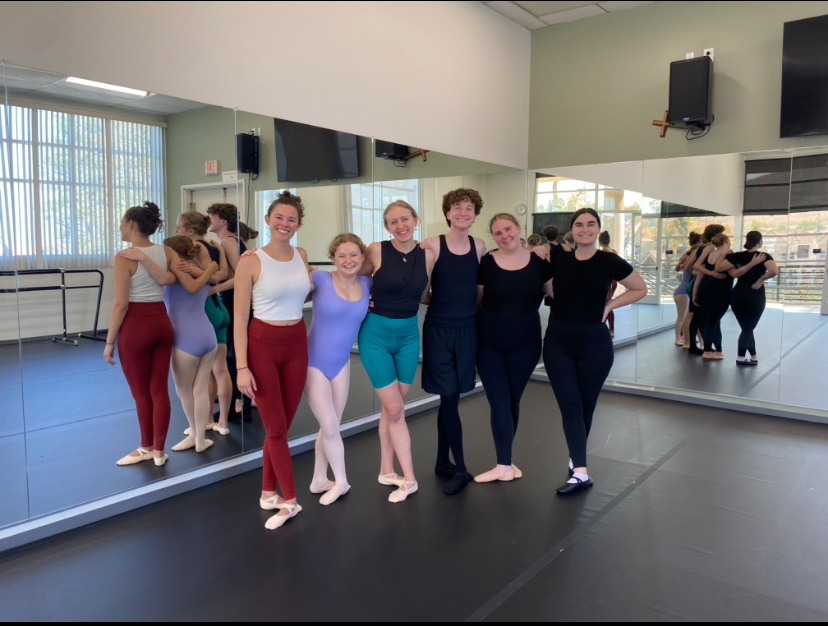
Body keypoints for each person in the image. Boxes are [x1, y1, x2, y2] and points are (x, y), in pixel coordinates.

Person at [544, 209, 646, 495]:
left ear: (598, 228)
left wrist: (610, 305)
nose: (585, 229)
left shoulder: (609, 260)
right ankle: (581, 472)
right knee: (571, 406)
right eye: (579, 224)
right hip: (558, 342)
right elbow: (546, 287)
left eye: (591, 224)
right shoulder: (560, 260)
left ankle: (577, 461)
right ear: (572, 230)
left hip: (595, 345)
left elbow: (639, 288)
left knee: (585, 406)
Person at [234, 191, 313, 530]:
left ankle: (268, 492)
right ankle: (290, 500)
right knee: (276, 428)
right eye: (279, 217)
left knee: (281, 428)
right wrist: (241, 367)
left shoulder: (302, 254)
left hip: (297, 342)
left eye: (291, 219)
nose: (285, 223)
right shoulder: (250, 261)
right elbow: (239, 319)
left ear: (298, 225)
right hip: (261, 345)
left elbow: (306, 292)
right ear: (267, 220)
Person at [104, 202, 197, 467]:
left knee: (141, 393)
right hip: (162, 324)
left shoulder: (124, 257)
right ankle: (159, 451)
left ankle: (146, 447)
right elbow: (171, 279)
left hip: (136, 326)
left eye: (122, 222)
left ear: (131, 224)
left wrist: (109, 342)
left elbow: (120, 304)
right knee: (159, 390)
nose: (120, 227)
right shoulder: (166, 251)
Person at [359, 200, 435, 503]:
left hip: (408, 336)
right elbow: (348, 270)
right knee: (394, 410)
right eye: (393, 222)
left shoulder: (428, 256)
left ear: (416, 220)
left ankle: (386, 470)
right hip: (375, 335)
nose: (400, 225)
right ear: (387, 227)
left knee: (393, 411)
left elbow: (426, 295)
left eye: (405, 219)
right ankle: (410, 479)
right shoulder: (377, 250)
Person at [475, 213, 554, 484]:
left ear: (519, 228)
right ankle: (504, 464)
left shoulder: (540, 264)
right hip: (489, 343)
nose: (504, 235)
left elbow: (558, 295)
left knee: (512, 401)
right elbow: (477, 302)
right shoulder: (486, 264)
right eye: (497, 233)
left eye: (508, 229)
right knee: (498, 400)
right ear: (493, 237)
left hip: (526, 343)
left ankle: (505, 462)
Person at [420, 188, 487, 495]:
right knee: (448, 396)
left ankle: (440, 461)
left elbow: (479, 289)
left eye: (469, 208)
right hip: (439, 330)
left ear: (475, 214)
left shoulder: (480, 245)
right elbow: (422, 291)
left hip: (468, 330)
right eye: (457, 207)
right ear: (447, 213)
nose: (463, 212)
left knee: (452, 397)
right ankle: (459, 468)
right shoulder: (432, 244)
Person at [125, 236, 221, 453]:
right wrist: (214, 264)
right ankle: (201, 439)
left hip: (185, 338)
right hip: (207, 335)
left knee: (184, 390)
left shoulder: (174, 274)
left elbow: (163, 280)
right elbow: (215, 278)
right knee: (200, 389)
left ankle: (196, 435)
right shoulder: (200, 271)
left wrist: (141, 257)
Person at [306, 234, 372, 506]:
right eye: (342, 255)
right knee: (330, 425)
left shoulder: (369, 283)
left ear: (362, 257)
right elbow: (283, 275)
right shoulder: (320, 279)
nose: (349, 260)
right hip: (313, 363)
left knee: (330, 426)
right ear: (332, 257)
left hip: (342, 363)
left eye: (354, 254)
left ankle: (319, 479)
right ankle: (341, 481)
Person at [175, 211, 232, 435]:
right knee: (221, 370)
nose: (176, 230)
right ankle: (222, 422)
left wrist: (191, 270)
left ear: (190, 231)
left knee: (207, 374)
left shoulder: (192, 250)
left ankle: (206, 420)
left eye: (179, 227)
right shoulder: (214, 247)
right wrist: (218, 253)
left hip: (205, 308)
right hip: (220, 308)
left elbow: (203, 279)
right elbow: (224, 273)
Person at [207, 203, 250, 422]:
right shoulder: (237, 241)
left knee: (234, 356)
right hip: (236, 299)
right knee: (236, 353)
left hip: (235, 300)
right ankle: (240, 405)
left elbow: (241, 278)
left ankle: (237, 407)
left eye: (212, 217)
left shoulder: (229, 242)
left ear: (223, 221)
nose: (209, 220)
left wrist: (214, 288)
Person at [715, 231, 778, 365]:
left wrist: (725, 254)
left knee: (746, 328)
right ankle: (741, 358)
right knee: (748, 328)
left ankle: (754, 357)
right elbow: (774, 271)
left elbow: (719, 267)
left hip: (738, 294)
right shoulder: (763, 256)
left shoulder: (737, 256)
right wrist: (761, 279)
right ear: (760, 241)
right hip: (755, 294)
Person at [686, 224, 725, 355]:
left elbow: (688, 267)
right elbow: (693, 268)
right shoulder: (710, 248)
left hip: (694, 284)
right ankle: (700, 346)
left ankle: (698, 345)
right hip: (700, 285)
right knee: (699, 317)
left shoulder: (702, 247)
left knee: (697, 317)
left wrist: (702, 272)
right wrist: (710, 273)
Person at [693, 233, 733, 360]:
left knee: (714, 322)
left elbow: (698, 272)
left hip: (703, 290)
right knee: (711, 323)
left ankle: (718, 351)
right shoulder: (729, 254)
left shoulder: (709, 255)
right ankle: (707, 351)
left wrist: (695, 293)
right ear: (727, 241)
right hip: (719, 292)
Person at [675, 232, 702, 347]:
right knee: (683, 317)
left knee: (689, 316)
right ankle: (679, 339)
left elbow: (680, 267)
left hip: (687, 291)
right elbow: (683, 267)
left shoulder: (689, 257)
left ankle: (688, 338)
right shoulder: (689, 256)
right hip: (683, 291)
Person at [599, 231, 618, 338]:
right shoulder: (614, 251)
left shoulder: (603, 252)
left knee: (608, 305)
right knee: (608, 304)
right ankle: (609, 328)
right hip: (613, 280)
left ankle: (608, 328)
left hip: (608, 281)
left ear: (600, 241)